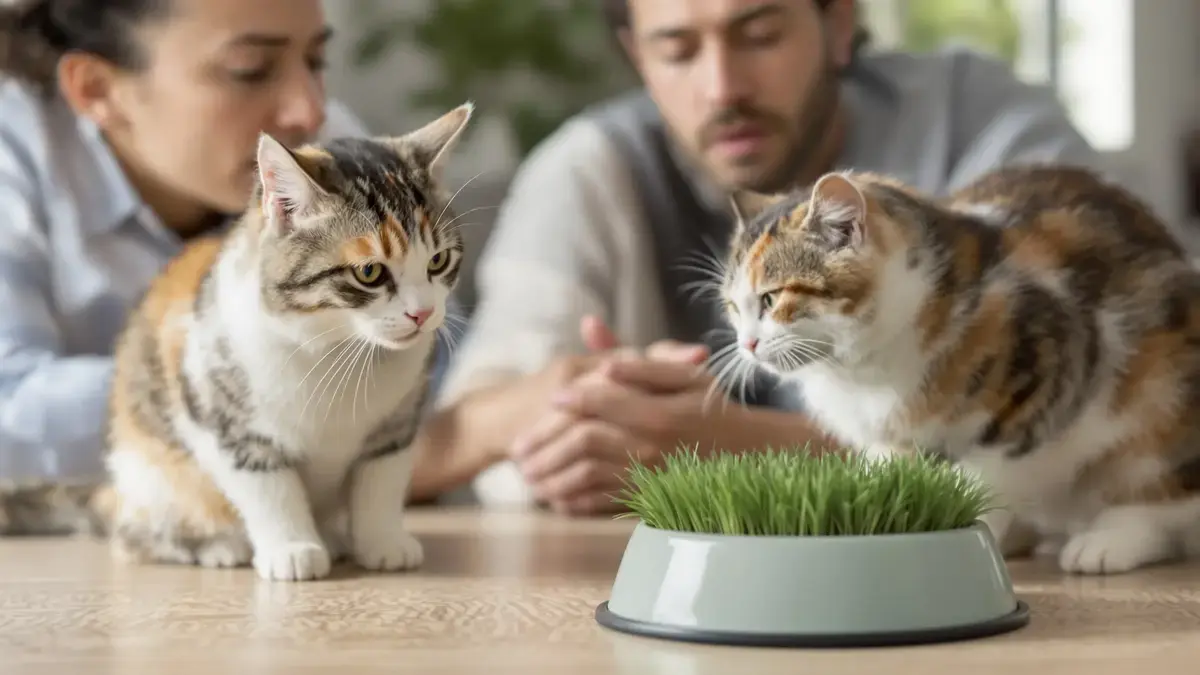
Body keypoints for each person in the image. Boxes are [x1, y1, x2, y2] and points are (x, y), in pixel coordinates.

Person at [427, 0, 1105, 514]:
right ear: (637, 56)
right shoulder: (590, 169)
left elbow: (1132, 364)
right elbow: (448, 440)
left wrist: (733, 444)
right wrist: (586, 397)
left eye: (760, 35)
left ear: (840, 24)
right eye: (677, 49)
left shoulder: (976, 120)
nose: (723, 87)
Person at [0, 0, 455, 482]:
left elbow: (434, 364)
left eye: (316, 61)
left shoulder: (317, 156)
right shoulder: (16, 158)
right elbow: (10, 412)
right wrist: (237, 383)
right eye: (251, 70)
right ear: (97, 89)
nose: (310, 110)